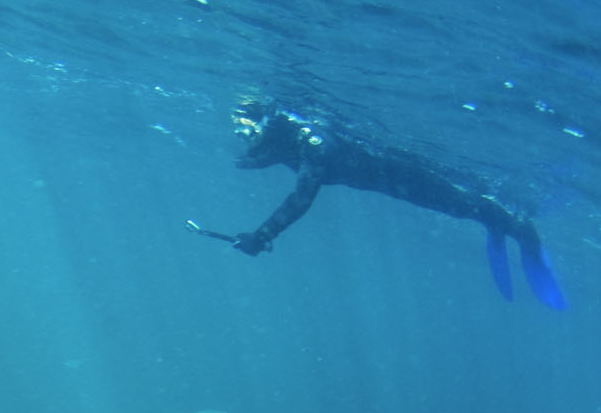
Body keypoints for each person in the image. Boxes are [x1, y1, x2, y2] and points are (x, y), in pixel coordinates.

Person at [197, 100, 567, 309]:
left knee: (458, 202)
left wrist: (262, 236)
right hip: (390, 183)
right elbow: (263, 154)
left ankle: (521, 230)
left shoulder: (312, 143)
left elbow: (302, 196)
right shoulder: (287, 139)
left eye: (251, 128)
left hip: (401, 174)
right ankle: (494, 221)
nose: (247, 137)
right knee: (459, 206)